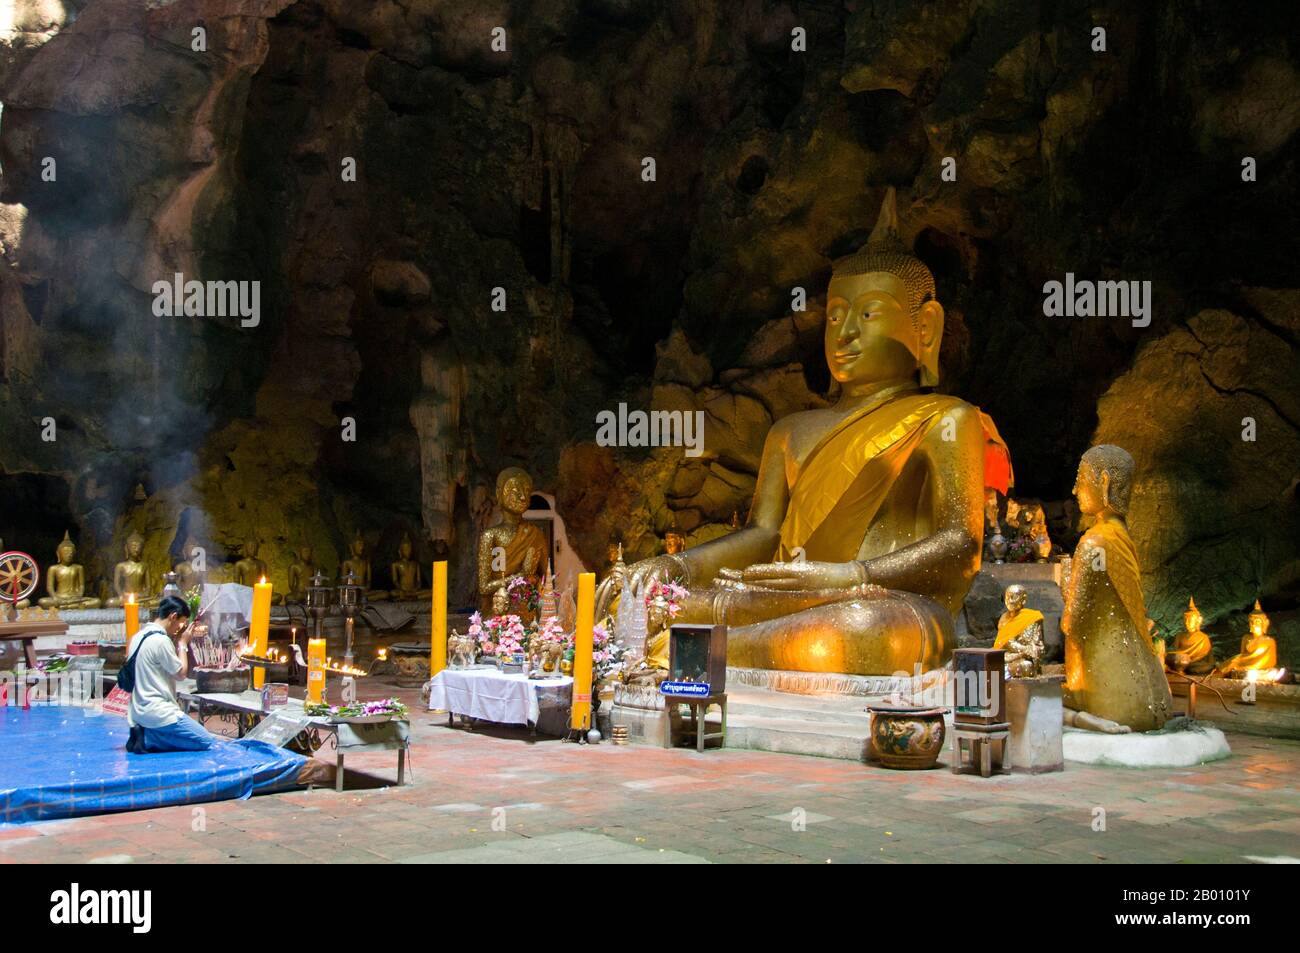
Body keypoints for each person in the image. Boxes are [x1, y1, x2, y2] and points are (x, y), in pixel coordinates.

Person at [125, 594, 215, 753]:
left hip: (138, 709)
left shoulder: (138, 636)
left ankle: (146, 734)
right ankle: (148, 739)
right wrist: (182, 644)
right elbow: (180, 673)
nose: (180, 628)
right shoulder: (160, 640)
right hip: (158, 710)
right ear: (173, 616)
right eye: (181, 623)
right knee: (205, 740)